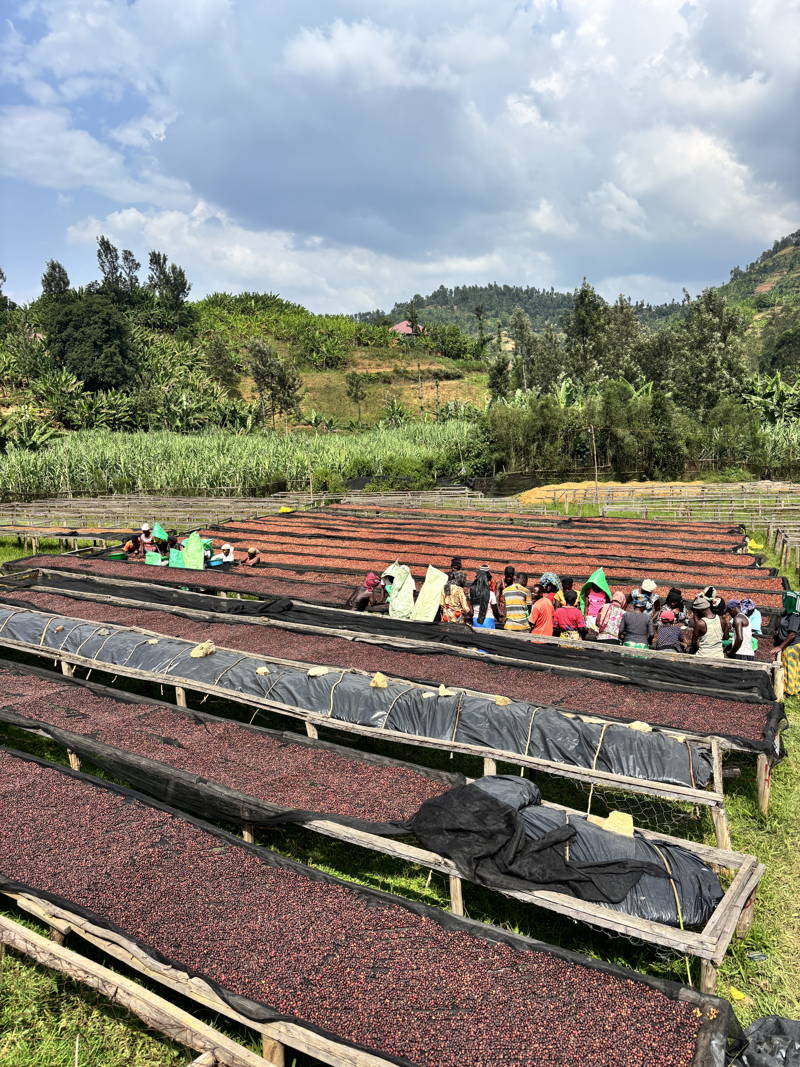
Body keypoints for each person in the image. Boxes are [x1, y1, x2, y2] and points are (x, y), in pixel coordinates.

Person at [772, 596, 800, 696]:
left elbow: (792, 634)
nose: (783, 602)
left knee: (790, 667)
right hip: (788, 644)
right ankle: (793, 689)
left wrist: (780, 647)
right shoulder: (786, 613)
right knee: (789, 666)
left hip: (792, 645)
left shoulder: (794, 615)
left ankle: (790, 691)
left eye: (785, 600)